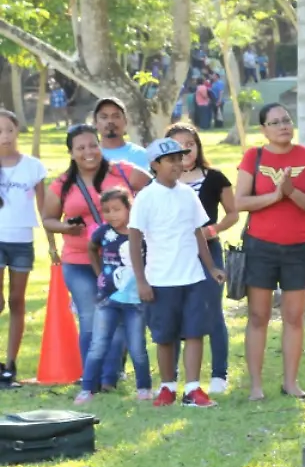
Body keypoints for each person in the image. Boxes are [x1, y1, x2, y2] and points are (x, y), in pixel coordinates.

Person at [235, 103, 305, 401]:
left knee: (294, 317)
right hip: (260, 246)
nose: (283, 126)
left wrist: (291, 192)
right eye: (274, 122)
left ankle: (291, 382)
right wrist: (275, 195)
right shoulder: (253, 156)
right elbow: (241, 202)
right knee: (258, 316)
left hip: (299, 246)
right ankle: (256, 386)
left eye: (286, 120)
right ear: (264, 129)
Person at [129, 138, 226, 407]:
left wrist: (211, 268)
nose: (177, 164)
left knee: (195, 333)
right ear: (155, 164)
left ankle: (193, 389)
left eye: (179, 158)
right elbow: (135, 239)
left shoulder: (188, 194)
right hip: (160, 279)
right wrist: (141, 280)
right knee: (165, 336)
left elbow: (198, 233)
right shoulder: (146, 197)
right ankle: (167, 387)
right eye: (170, 159)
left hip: (192, 277)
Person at [42, 124, 138, 390]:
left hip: (116, 261)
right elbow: (48, 219)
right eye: (81, 148)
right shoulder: (62, 184)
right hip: (77, 260)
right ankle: (90, 378)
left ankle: (110, 378)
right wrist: (66, 227)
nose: (89, 152)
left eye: (93, 145)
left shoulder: (121, 171)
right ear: (71, 153)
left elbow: (151, 189)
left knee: (116, 318)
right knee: (89, 317)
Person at [167, 123, 237, 395]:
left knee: (211, 311)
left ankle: (219, 374)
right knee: (173, 313)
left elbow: (232, 213)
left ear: (198, 145)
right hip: (173, 254)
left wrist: (213, 230)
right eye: (177, 144)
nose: (184, 149)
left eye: (190, 143)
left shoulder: (214, 177)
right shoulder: (160, 181)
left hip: (208, 252)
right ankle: (169, 378)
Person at [75, 188, 152, 403]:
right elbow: (91, 248)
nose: (111, 215)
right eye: (106, 211)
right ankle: (87, 388)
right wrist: (99, 274)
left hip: (136, 301)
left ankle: (144, 388)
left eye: (117, 209)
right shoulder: (103, 232)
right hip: (107, 299)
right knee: (98, 344)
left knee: (137, 346)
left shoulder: (141, 234)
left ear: (129, 208)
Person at [0, 110, 47, 387]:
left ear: (18, 131)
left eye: (9, 130)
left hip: (22, 242)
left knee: (17, 301)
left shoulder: (33, 167)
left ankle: (10, 364)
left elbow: (44, 208)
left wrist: (53, 246)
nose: (5, 136)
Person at [92, 97, 152, 186]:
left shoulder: (141, 154)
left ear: (126, 121)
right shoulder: (90, 156)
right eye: (104, 117)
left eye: (116, 116)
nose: (110, 121)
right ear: (95, 123)